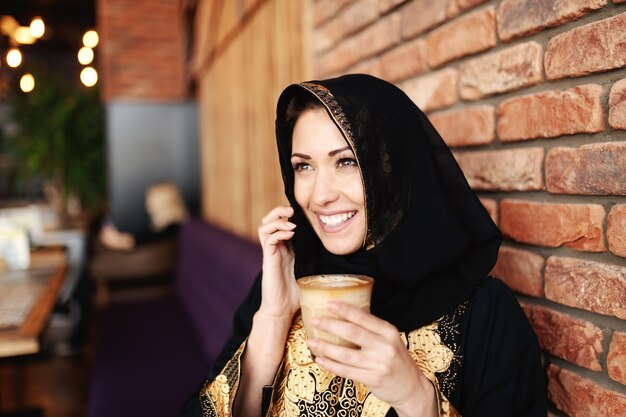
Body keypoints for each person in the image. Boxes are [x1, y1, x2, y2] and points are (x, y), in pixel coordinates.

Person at [183, 74, 547, 417]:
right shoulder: (285, 281)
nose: (320, 195)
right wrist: (273, 321)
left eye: (346, 162)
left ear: (393, 169)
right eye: (303, 167)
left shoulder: (487, 314)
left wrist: (416, 399)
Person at [99, 181, 188, 251]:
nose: (147, 202)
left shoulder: (173, 229)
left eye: (151, 198)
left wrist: (120, 240)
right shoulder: (163, 228)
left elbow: (139, 242)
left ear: (165, 202)